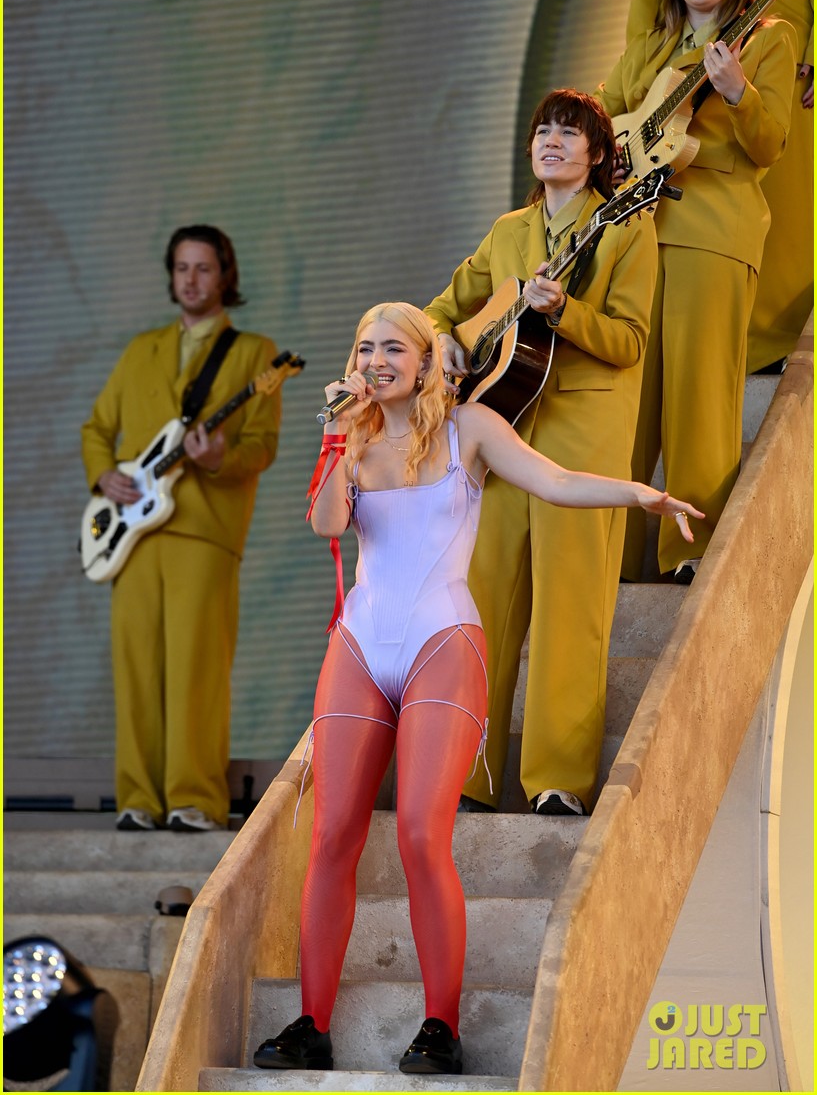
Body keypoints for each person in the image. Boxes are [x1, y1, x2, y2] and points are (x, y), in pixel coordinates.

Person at [252, 302, 701, 1075]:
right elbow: (327, 525)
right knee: (329, 835)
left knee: (422, 834)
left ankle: (439, 1026)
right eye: (364, 348)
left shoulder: (471, 430)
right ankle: (310, 1022)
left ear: (426, 362)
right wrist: (333, 432)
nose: (375, 359)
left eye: (393, 347)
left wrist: (637, 494)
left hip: (441, 644)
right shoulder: (352, 438)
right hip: (360, 644)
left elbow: (553, 480)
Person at [424, 88, 658, 819]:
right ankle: (466, 775)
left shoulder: (624, 228)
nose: (551, 141)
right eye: (542, 130)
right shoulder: (509, 231)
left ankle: (556, 777)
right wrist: (444, 347)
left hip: (582, 431)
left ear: (598, 154)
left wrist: (569, 312)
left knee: (570, 609)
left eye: (569, 132)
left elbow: (629, 341)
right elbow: (441, 313)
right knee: (481, 601)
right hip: (499, 428)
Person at [595, 0, 796, 583]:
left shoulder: (766, 38)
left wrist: (736, 90)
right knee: (628, 407)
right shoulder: (649, 48)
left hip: (711, 232)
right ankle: (613, 556)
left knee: (698, 400)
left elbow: (768, 143)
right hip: (637, 239)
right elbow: (606, 125)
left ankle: (689, 551)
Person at [81, 225, 281, 832]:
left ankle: (194, 798)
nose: (191, 279)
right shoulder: (139, 350)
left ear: (226, 276)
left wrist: (219, 455)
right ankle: (138, 799)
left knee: (197, 670)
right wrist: (104, 478)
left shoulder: (255, 354)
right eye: (182, 268)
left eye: (203, 268)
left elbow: (262, 445)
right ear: (171, 277)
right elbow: (96, 429)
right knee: (136, 669)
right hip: (133, 536)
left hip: (205, 532)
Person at [625, 0, 813, 374]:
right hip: (688, 42)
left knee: (783, 189)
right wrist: (642, 59)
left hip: (783, 33)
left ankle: (779, 333)